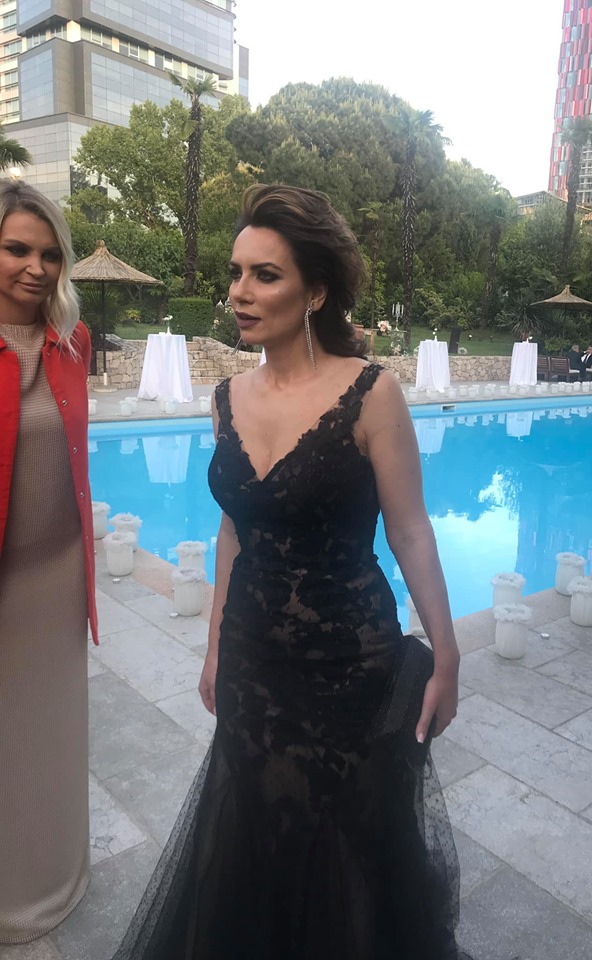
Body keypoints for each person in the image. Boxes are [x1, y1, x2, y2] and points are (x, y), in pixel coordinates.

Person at [111, 184, 467, 960]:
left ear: (315, 292)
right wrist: (214, 647)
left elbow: (410, 529)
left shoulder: (371, 393)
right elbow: (234, 528)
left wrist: (447, 654)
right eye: (236, 273)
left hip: (350, 665)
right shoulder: (225, 399)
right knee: (256, 836)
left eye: (264, 275)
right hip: (252, 661)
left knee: (349, 852)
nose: (240, 292)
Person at [0, 180, 97, 943]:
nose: (36, 268)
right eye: (16, 249)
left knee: (53, 737)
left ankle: (53, 876)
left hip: (59, 574)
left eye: (49, 253)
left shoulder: (74, 342)